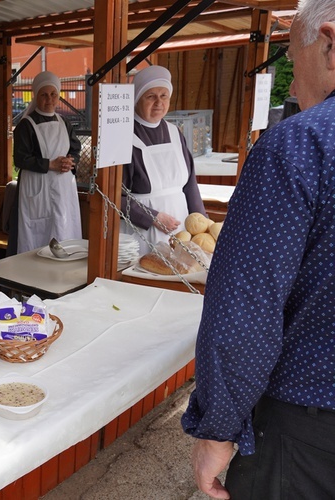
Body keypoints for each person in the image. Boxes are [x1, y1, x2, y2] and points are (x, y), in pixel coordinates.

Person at [181, 2, 335, 498]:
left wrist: (217, 428)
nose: (290, 83)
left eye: (294, 59)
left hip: (306, 432)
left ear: (330, 45)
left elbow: (246, 308)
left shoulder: (300, 145)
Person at [121, 65, 206, 255]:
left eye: (164, 95)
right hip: (142, 234)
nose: (159, 102)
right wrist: (152, 216)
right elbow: (113, 195)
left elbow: (190, 185)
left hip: (181, 229)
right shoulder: (124, 137)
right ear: (136, 99)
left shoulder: (175, 132)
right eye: (150, 96)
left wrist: (202, 225)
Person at [9, 70, 82, 255]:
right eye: (44, 95)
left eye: (53, 94)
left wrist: (70, 162)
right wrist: (50, 165)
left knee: (64, 228)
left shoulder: (64, 122)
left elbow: (75, 148)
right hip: (36, 188)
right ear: (36, 96)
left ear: (58, 96)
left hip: (63, 187)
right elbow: (21, 158)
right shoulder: (26, 125)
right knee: (37, 235)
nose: (49, 99)